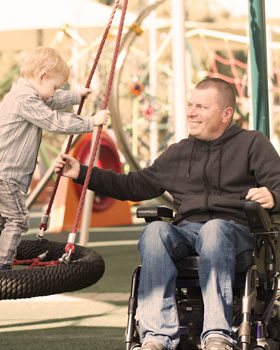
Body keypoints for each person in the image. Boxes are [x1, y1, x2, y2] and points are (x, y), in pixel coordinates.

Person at [54, 77, 280, 350]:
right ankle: (157, 338)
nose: (191, 112)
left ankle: (217, 335)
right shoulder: (178, 153)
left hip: (235, 230)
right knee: (155, 231)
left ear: (226, 114)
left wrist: (273, 196)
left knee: (214, 229)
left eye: (200, 107)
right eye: (190, 105)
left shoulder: (252, 144)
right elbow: (132, 185)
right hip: (187, 231)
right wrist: (80, 172)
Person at [0, 46, 110, 271]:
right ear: (42, 76)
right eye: (55, 86)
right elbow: (53, 121)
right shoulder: (26, 100)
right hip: (2, 171)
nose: (55, 92)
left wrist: (75, 95)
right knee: (17, 218)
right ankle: (0, 267)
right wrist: (90, 122)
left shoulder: (21, 92)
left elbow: (50, 100)